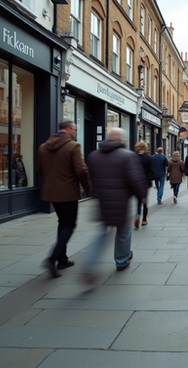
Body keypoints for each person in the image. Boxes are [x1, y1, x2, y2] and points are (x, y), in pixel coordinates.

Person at [84, 128, 147, 281]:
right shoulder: (127, 156)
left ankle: (90, 265)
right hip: (121, 201)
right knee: (123, 232)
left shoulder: (93, 155)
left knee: (102, 233)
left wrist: (92, 193)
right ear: (119, 139)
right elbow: (134, 179)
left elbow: (89, 177)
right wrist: (142, 196)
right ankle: (122, 260)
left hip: (102, 201)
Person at [38, 119, 91, 278]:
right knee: (69, 224)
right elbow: (81, 170)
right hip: (68, 192)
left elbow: (40, 169)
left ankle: (62, 259)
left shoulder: (43, 147)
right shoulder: (73, 146)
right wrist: (88, 188)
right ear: (68, 129)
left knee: (62, 222)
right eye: (74, 130)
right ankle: (52, 257)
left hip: (51, 192)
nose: (75, 133)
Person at [134, 142, 153, 228]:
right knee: (144, 201)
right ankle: (144, 220)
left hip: (135, 182)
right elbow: (151, 171)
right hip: (145, 183)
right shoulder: (148, 158)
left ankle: (137, 215)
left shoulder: (133, 157)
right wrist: (151, 181)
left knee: (138, 201)